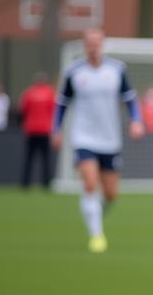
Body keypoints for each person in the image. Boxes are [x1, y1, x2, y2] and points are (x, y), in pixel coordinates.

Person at [51, 28, 145, 253]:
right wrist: (56, 130)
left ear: (102, 44)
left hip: (110, 139)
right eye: (90, 43)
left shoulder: (117, 70)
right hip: (83, 138)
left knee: (111, 194)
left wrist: (136, 120)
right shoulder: (74, 72)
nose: (93, 47)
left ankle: (93, 214)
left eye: (97, 43)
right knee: (90, 184)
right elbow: (62, 103)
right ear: (84, 46)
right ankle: (96, 235)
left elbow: (130, 99)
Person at [18, 72, 57, 188]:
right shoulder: (50, 93)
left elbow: (23, 110)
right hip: (45, 130)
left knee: (29, 158)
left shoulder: (29, 93)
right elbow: (54, 112)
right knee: (45, 158)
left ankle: (25, 183)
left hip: (31, 130)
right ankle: (46, 183)